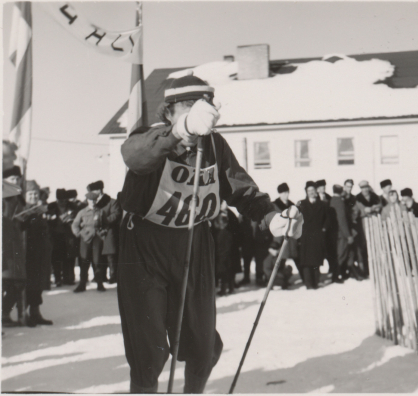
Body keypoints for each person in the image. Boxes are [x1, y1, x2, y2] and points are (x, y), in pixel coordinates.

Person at [116, 74, 303, 393]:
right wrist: (181, 131)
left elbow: (243, 193)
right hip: (145, 246)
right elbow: (134, 155)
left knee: (204, 348)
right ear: (170, 112)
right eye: (188, 107)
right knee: (149, 354)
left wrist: (274, 220)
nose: (198, 114)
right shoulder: (153, 137)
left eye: (204, 107)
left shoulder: (215, 145)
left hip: (194, 242)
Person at [19, 180, 53, 327]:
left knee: (38, 285)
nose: (33, 196)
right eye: (30, 194)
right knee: (29, 285)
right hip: (27, 255)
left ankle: (35, 312)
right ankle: (24, 314)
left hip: (40, 254)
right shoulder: (22, 211)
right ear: (25, 196)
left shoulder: (40, 210)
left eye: (35, 194)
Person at [2, 166, 27, 327]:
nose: (16, 181)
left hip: (16, 247)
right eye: (12, 179)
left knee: (17, 283)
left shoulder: (18, 199)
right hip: (4, 248)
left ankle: (4, 314)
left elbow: (19, 226)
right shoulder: (3, 197)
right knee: (7, 282)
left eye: (17, 179)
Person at [71, 191, 108, 292]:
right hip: (85, 239)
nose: (93, 202)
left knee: (97, 261)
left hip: (97, 239)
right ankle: (82, 284)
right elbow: (75, 225)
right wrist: (79, 234)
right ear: (87, 200)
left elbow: (105, 224)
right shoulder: (82, 212)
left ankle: (99, 283)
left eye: (95, 200)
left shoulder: (101, 212)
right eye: (91, 200)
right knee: (84, 261)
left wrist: (103, 232)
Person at [87, 180, 122, 284]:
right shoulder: (94, 203)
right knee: (98, 256)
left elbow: (116, 214)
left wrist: (104, 221)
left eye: (94, 191)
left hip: (109, 232)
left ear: (99, 190)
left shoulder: (112, 202)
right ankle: (101, 276)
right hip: (98, 233)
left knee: (110, 256)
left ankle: (113, 276)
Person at [297, 181, 328, 289]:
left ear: (316, 192)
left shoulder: (322, 204)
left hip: (318, 236)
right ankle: (309, 284)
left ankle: (316, 282)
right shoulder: (301, 204)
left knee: (316, 261)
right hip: (306, 237)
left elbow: (327, 220)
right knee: (306, 262)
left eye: (313, 190)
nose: (311, 192)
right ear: (306, 192)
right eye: (309, 191)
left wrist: (323, 230)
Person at [47, 189, 79, 286]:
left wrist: (71, 219)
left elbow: (78, 217)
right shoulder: (51, 206)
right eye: (61, 200)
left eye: (65, 200)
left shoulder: (72, 206)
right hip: (55, 236)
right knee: (56, 258)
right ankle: (57, 279)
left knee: (68, 258)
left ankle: (68, 278)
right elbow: (47, 220)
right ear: (57, 199)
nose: (63, 202)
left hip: (68, 235)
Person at [273, 183, 300, 277]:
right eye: (284, 193)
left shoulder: (292, 205)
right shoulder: (275, 205)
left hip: (291, 238)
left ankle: (305, 279)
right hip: (280, 237)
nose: (286, 195)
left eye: (287, 192)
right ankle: (280, 281)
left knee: (296, 258)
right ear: (279, 194)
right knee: (280, 261)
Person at [329, 184, 350, 283]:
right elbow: (342, 220)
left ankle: (336, 274)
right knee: (340, 255)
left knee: (336, 255)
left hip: (334, 233)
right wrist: (348, 235)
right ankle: (336, 276)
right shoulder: (340, 202)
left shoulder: (332, 200)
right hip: (341, 233)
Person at [212, 212, 235, 296]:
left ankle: (224, 290)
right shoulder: (223, 233)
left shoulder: (224, 234)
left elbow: (226, 247)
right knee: (227, 273)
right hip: (224, 257)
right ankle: (230, 288)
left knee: (224, 274)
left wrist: (220, 254)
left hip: (223, 257)